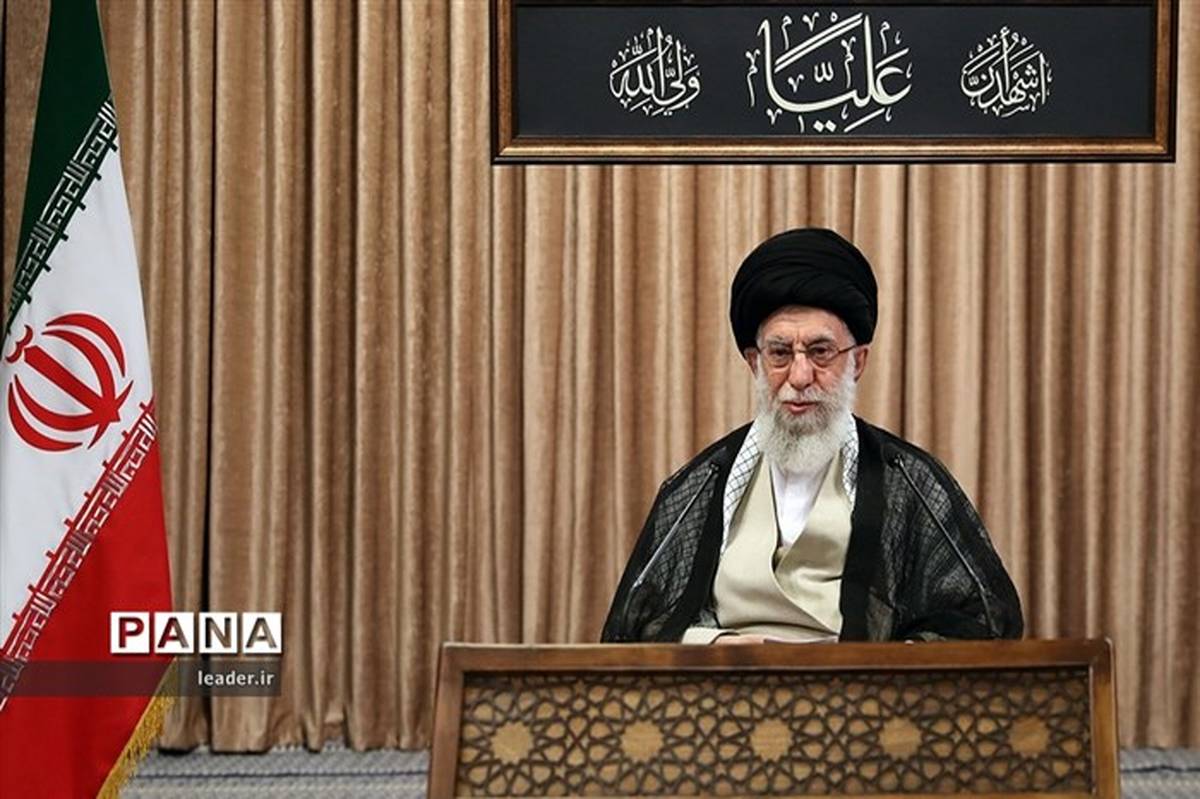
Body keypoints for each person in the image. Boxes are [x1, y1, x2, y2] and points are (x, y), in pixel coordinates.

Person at [602, 228, 1023, 644]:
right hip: (724, 683)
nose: (800, 376)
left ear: (858, 362)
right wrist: (716, 647)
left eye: (821, 352)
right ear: (755, 363)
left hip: (853, 685)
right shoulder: (705, 482)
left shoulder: (907, 480)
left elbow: (986, 618)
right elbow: (634, 627)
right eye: (780, 353)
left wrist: (890, 665)